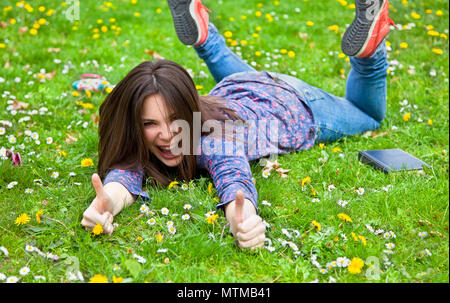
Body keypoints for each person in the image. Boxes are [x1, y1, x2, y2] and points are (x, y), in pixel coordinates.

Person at [81, 0, 395, 249]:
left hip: (294, 102)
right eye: (150, 123)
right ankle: (204, 36)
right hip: (240, 85)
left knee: (368, 114)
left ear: (188, 111)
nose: (167, 136)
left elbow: (232, 174)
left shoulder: (215, 136)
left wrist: (242, 219)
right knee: (241, 75)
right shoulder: (180, 123)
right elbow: (126, 170)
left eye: (175, 121)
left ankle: (370, 53)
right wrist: (107, 202)